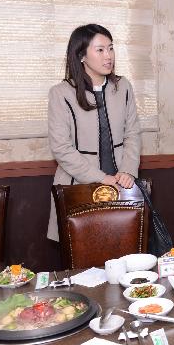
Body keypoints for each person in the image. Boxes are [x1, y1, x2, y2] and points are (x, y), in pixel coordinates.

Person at [47, 24, 141, 241]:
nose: (108, 56)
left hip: (122, 185)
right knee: (84, 258)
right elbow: (61, 148)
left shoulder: (123, 86)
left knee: (123, 252)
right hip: (77, 187)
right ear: (82, 55)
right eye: (100, 50)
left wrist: (128, 170)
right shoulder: (61, 93)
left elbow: (132, 133)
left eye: (111, 48)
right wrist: (101, 178)